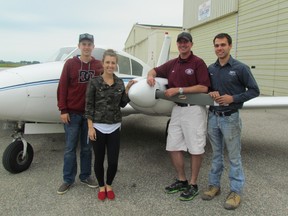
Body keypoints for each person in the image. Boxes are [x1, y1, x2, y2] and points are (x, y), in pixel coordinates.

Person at [147, 32, 210, 201]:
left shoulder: (198, 63)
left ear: (191, 44)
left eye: (186, 42)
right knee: (173, 146)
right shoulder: (173, 63)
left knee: (195, 148)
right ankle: (182, 179)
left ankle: (193, 184)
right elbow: (155, 69)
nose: (183, 45)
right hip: (178, 109)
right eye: (180, 42)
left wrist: (180, 89)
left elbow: (204, 87)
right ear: (177, 44)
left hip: (194, 109)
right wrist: (150, 76)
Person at [202, 33, 260, 210]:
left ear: (230, 46)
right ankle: (214, 186)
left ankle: (235, 191)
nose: (219, 48)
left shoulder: (240, 68)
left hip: (230, 118)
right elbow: (208, 89)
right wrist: (211, 92)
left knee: (234, 157)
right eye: (217, 45)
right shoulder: (211, 68)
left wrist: (232, 98)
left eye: (223, 45)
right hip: (213, 117)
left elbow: (254, 90)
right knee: (216, 155)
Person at [85, 49, 135, 201]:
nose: (110, 65)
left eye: (113, 63)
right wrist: (90, 127)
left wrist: (127, 90)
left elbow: (121, 104)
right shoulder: (94, 82)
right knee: (99, 160)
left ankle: (109, 184)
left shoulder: (119, 82)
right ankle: (101, 186)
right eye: (107, 62)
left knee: (113, 161)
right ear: (103, 63)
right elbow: (88, 107)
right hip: (98, 127)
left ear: (116, 65)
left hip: (114, 127)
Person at [57, 33, 103, 195]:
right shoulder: (70, 64)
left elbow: (105, 84)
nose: (86, 47)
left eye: (89, 44)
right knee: (70, 148)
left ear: (93, 47)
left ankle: (85, 176)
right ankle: (68, 179)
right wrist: (63, 109)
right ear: (79, 46)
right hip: (72, 114)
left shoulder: (98, 65)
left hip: (89, 116)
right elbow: (62, 87)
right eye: (83, 44)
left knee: (86, 148)